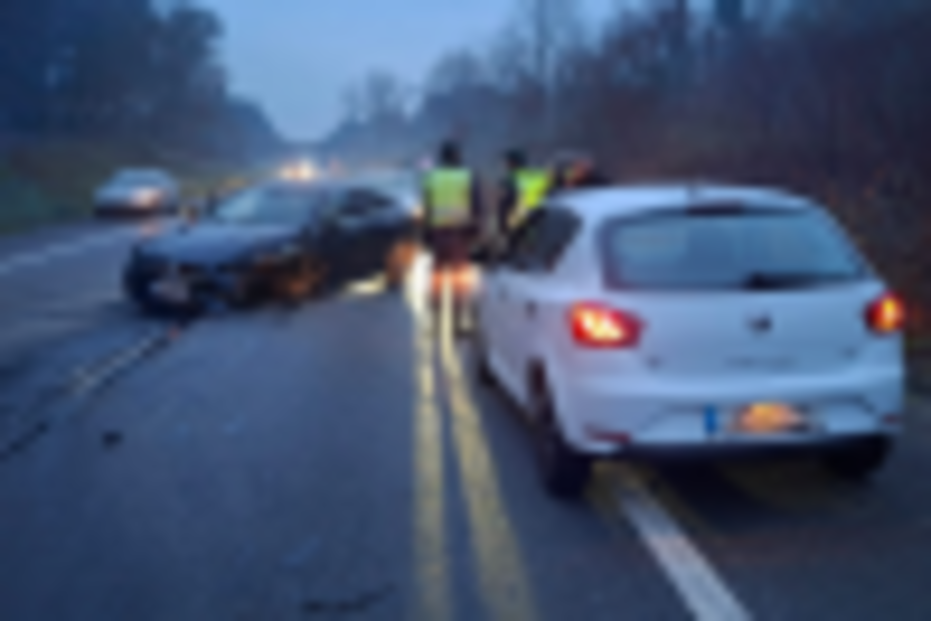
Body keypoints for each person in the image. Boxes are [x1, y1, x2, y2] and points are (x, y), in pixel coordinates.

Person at [421, 140, 482, 334]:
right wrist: (475, 232)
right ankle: (458, 322)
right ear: (458, 157)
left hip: (437, 236)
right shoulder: (468, 176)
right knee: (460, 279)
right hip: (459, 236)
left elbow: (427, 208)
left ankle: (435, 321)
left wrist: (426, 236)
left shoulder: (431, 178)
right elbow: (476, 206)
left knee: (436, 279)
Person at [498, 149, 552, 235]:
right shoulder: (538, 176)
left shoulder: (512, 179)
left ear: (513, 164)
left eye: (508, 163)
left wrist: (503, 227)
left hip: (521, 221)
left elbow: (506, 203)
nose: (506, 166)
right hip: (539, 219)